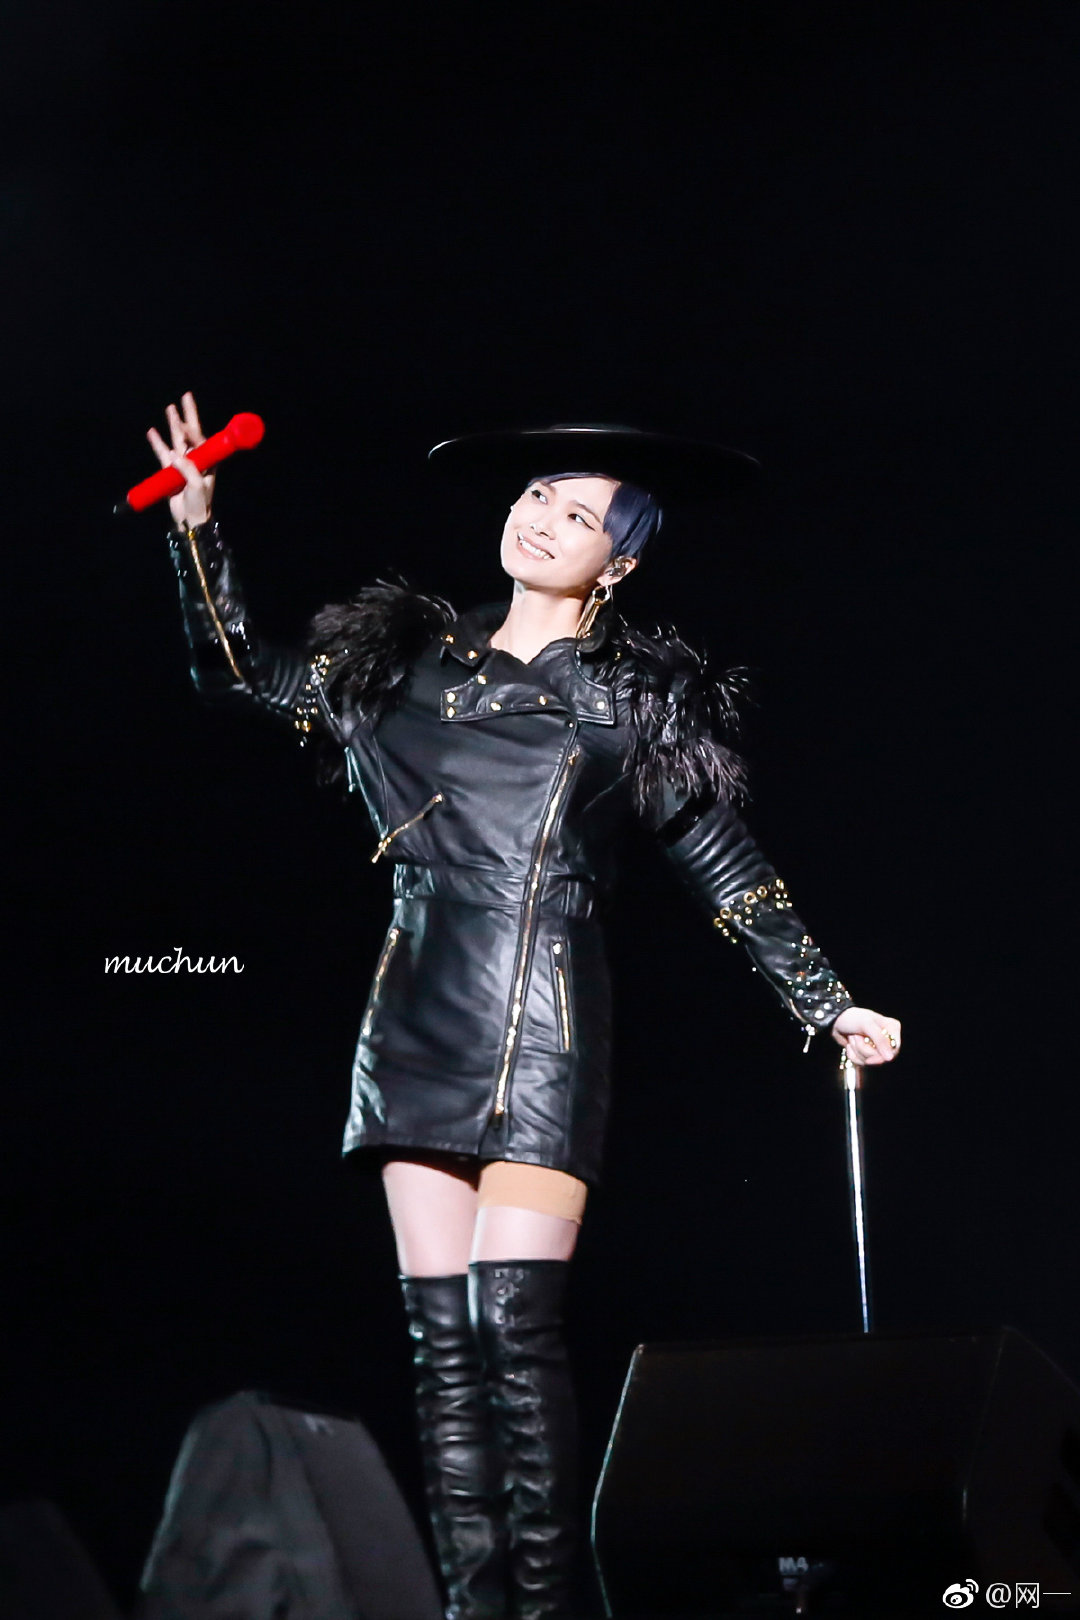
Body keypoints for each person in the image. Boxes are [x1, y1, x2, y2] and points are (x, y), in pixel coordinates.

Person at [148, 391, 901, 1620]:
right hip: (417, 1015)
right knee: (443, 1349)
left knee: (513, 1326)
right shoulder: (406, 664)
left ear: (623, 560)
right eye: (535, 495)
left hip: (546, 1020)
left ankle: (549, 1609)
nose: (543, 517)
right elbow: (241, 672)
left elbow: (722, 861)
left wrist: (827, 1002)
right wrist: (196, 527)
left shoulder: (630, 699)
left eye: (579, 513)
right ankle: (473, 1607)